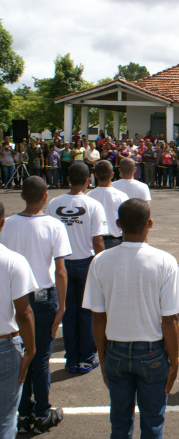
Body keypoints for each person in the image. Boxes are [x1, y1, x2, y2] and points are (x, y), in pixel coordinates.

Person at [83, 199, 179, 439]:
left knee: (119, 421)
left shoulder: (100, 261)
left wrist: (103, 355)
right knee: (152, 422)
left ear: (118, 224)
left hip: (116, 351)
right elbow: (169, 320)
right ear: (149, 223)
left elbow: (98, 318)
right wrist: (174, 360)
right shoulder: (165, 262)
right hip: (152, 352)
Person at [0, 176, 71, 434]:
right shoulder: (54, 225)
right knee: (40, 356)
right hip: (43, 296)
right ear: (45, 197)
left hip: (14, 295)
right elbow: (61, 271)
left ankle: (24, 410)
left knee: (20, 353)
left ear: (21, 196)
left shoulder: (6, 224)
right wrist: (62, 306)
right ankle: (42, 412)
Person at [46, 163, 107, 374]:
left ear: (67, 178)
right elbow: (98, 241)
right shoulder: (93, 205)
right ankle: (86, 359)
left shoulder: (54, 203)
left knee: (68, 312)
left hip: (61, 263)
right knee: (87, 311)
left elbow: (49, 236)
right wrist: (102, 265)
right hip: (86, 262)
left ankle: (71, 359)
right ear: (88, 180)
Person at [0, 201, 37, 439]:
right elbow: (24, 313)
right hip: (5, 345)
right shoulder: (13, 261)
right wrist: (31, 349)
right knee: (5, 418)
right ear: (2, 223)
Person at [86, 161, 129, 250]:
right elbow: (127, 222)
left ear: (95, 175)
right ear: (112, 174)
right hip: (116, 240)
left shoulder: (88, 196)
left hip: (94, 241)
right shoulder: (122, 196)